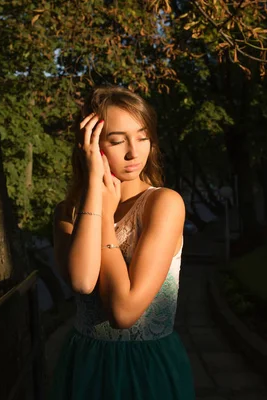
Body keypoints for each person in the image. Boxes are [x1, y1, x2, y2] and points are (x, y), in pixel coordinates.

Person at [50, 85, 195, 399]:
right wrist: (94, 189)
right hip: (85, 365)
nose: (134, 152)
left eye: (142, 137)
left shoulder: (164, 204)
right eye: (117, 140)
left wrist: (103, 219)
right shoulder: (67, 211)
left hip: (144, 369)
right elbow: (82, 280)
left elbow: (124, 313)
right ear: (91, 146)